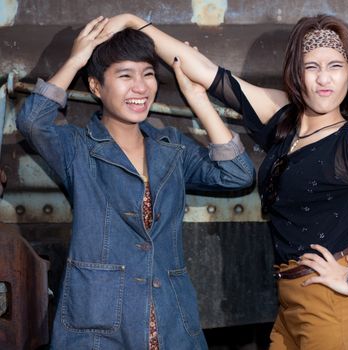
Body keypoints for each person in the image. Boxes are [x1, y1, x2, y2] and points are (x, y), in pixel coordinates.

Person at [104, 13, 348, 349]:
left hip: (332, 310)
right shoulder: (283, 117)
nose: (324, 79)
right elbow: (202, 69)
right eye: (311, 67)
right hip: (290, 306)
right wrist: (134, 23)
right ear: (297, 73)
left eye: (336, 66)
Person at [16, 17, 254, 350]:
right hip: (100, 325)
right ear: (97, 87)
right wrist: (75, 60)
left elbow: (237, 174)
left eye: (148, 74)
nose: (140, 87)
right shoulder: (78, 149)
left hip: (171, 320)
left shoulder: (171, 148)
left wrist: (198, 99)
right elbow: (32, 121)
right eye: (125, 75)